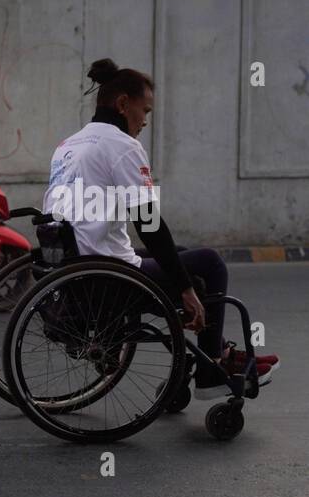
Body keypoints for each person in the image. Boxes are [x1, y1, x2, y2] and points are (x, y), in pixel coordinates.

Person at [41, 58, 279, 398]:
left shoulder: (69, 145)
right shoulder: (123, 146)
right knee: (209, 263)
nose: (145, 122)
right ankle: (212, 365)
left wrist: (180, 278)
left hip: (75, 265)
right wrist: (184, 288)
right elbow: (149, 225)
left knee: (180, 258)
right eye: (145, 112)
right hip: (108, 275)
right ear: (124, 105)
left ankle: (194, 362)